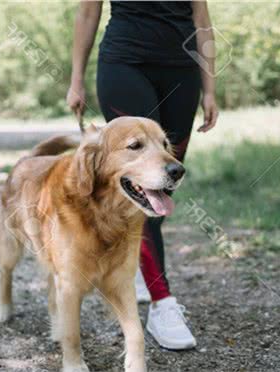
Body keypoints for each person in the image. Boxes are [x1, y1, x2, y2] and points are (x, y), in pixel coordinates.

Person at [66, 0, 218, 350]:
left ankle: (136, 264)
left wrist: (210, 89)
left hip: (182, 70)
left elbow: (202, 19)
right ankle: (162, 303)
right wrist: (76, 79)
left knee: (164, 184)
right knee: (142, 185)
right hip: (124, 64)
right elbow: (88, 12)